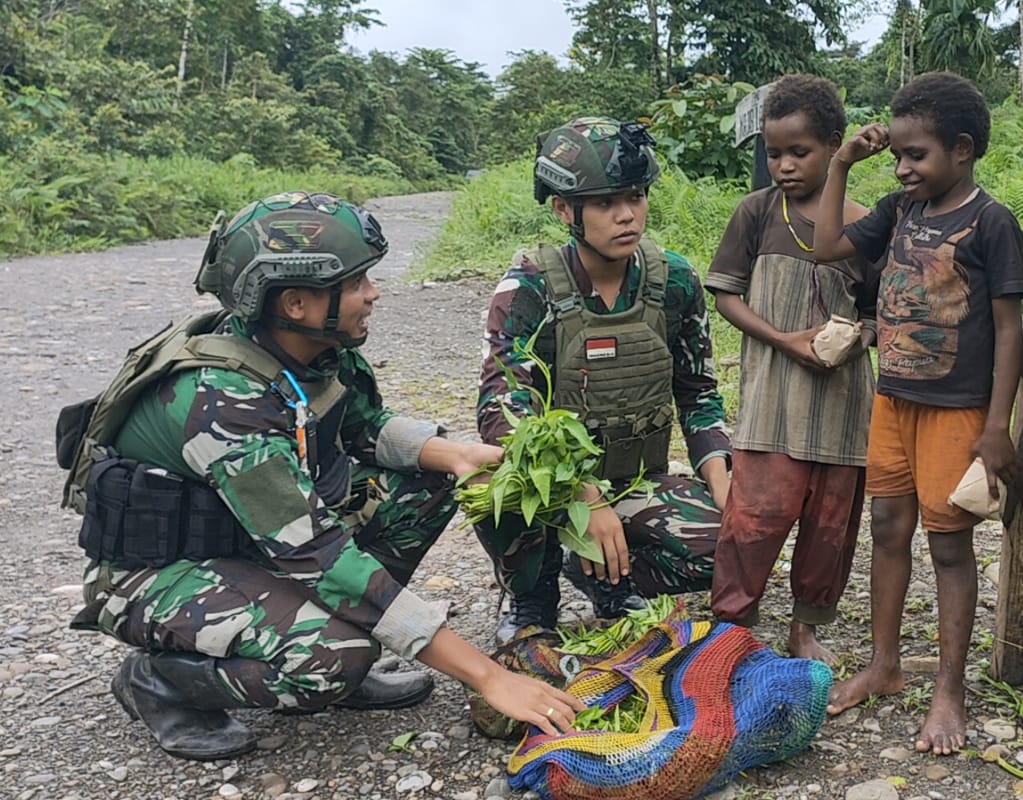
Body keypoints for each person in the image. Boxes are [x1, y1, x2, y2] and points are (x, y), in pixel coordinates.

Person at [66, 191, 583, 761]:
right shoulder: (224, 400)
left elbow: (365, 427)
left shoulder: (319, 348)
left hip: (254, 546)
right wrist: (488, 676)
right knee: (333, 660)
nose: (374, 293)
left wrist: (454, 455)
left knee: (429, 482)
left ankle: (347, 630)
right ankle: (158, 681)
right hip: (157, 573)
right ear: (294, 303)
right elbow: (318, 554)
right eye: (358, 281)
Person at [813, 73, 1023, 755]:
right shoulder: (899, 211)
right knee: (886, 526)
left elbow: (1007, 329)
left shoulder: (991, 223)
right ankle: (884, 665)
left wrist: (997, 428)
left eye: (917, 155)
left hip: (957, 411)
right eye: (897, 156)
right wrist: (843, 162)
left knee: (948, 544)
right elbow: (825, 247)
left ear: (961, 150)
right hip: (894, 401)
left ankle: (950, 689)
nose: (903, 168)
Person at [476, 117, 732, 644]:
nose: (626, 215)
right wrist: (584, 497)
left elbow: (698, 393)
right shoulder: (530, 285)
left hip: (634, 478)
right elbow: (503, 409)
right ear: (564, 210)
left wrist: (726, 486)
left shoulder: (674, 280)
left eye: (635, 197)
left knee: (723, 542)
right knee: (488, 486)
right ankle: (533, 596)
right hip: (553, 489)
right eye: (605, 203)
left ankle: (609, 580)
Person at [705, 74, 877, 665]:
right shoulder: (756, 212)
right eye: (773, 153)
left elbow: (881, 313)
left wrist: (855, 338)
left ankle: (805, 629)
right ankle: (732, 629)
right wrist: (785, 340)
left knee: (830, 531)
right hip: (771, 407)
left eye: (797, 152)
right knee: (752, 521)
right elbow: (727, 295)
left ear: (835, 144)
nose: (782, 165)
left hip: (841, 409)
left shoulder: (864, 226)